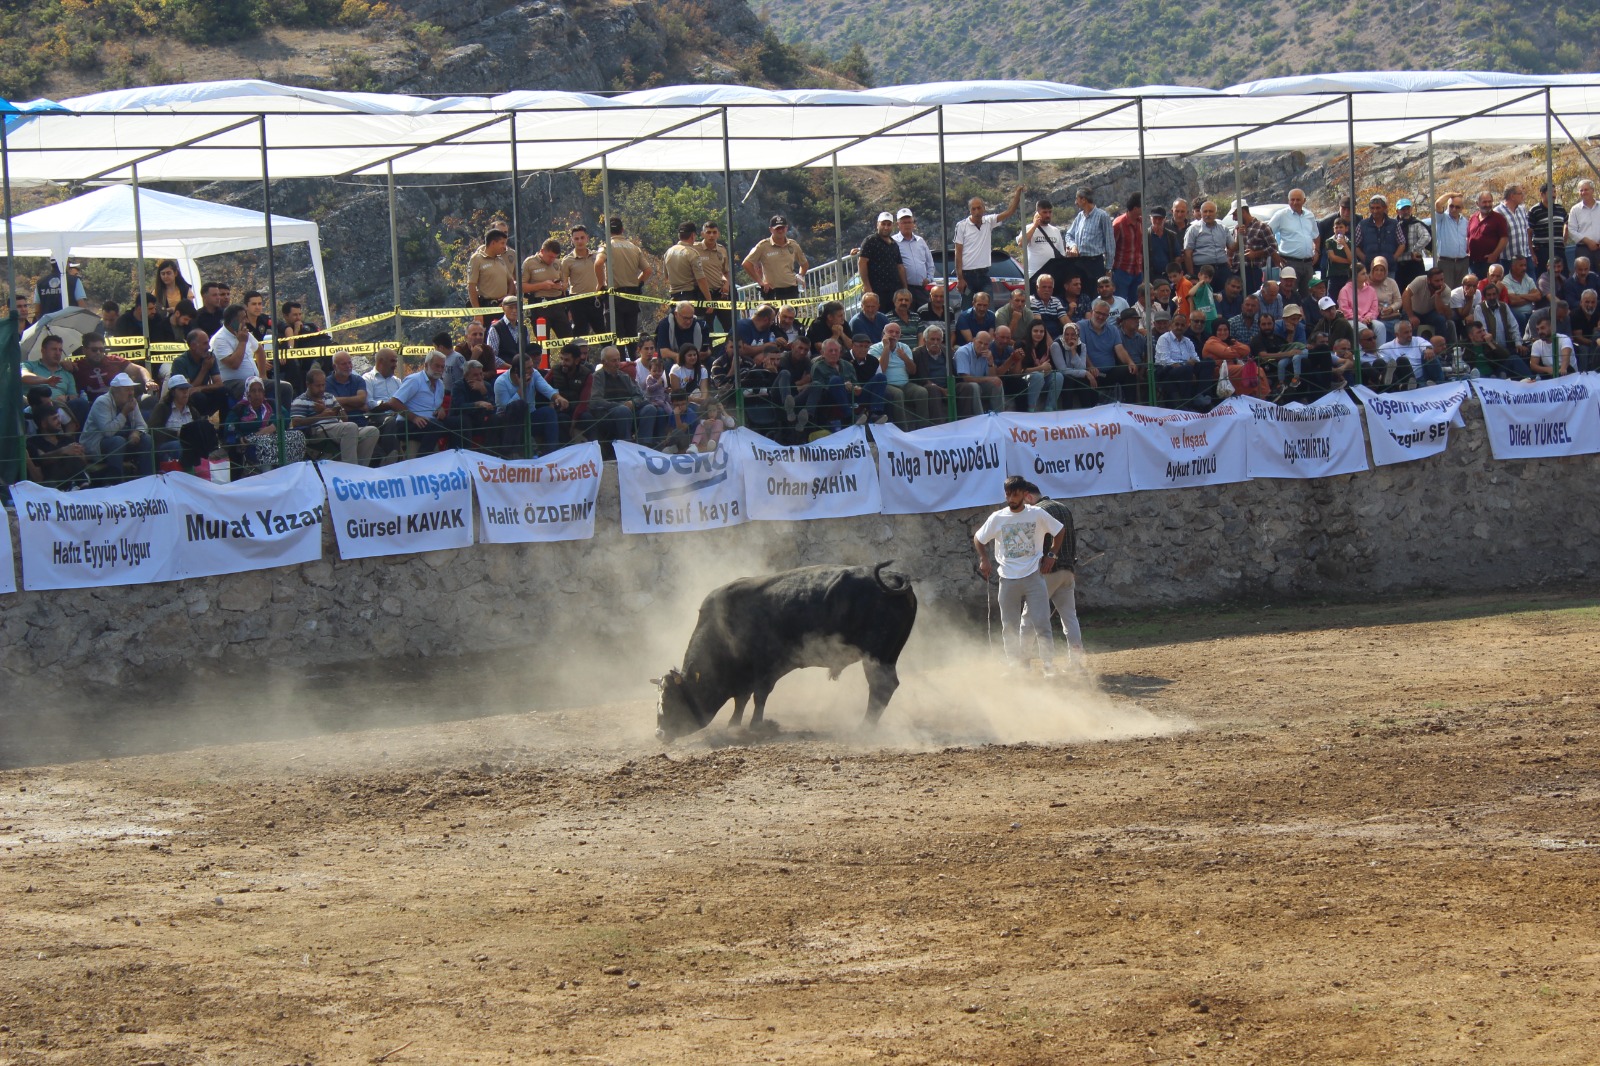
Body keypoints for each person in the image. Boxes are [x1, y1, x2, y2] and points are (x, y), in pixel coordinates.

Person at [974, 475, 1064, 678]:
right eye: (1008, 494)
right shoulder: (997, 517)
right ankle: (1015, 666)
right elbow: (979, 538)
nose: (1011, 499)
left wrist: (1051, 554)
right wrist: (984, 559)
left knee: (1042, 622)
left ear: (1024, 495)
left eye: (1015, 494)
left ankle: (1048, 665)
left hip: (1034, 577)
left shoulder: (1037, 514)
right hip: (1007, 578)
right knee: (1009, 626)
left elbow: (1059, 531)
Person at [1023, 487, 1084, 667]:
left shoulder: (1036, 512)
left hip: (1047, 571)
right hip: (1067, 570)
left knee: (1028, 618)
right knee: (1069, 618)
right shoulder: (1064, 508)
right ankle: (1077, 663)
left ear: (1028, 496)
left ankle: (1023, 662)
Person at [954, 186, 1024, 296]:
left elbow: (1009, 212)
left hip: (984, 274)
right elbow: (958, 253)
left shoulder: (989, 221)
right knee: (967, 311)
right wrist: (960, 278)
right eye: (973, 209)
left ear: (984, 208)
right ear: (970, 210)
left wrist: (1018, 194)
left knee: (988, 310)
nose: (977, 211)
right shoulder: (962, 226)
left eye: (979, 208)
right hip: (967, 276)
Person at [380, 350, 450, 457]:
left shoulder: (440, 384)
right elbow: (393, 402)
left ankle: (456, 459)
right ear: (426, 365)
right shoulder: (414, 380)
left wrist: (440, 409)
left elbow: (435, 404)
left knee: (459, 422)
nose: (440, 370)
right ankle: (421, 460)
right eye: (437, 366)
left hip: (431, 422)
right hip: (407, 423)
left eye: (442, 367)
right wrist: (414, 418)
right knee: (437, 426)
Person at [226, 376, 306, 471]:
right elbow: (229, 430)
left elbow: (285, 416)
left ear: (264, 393)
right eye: (253, 391)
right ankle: (270, 475)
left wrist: (272, 427)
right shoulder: (239, 409)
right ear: (248, 393)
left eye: (260, 391)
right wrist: (240, 438)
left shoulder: (271, 404)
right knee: (265, 444)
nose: (257, 394)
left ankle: (293, 472)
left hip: (276, 440)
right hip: (253, 444)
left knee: (298, 435)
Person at [595, 217, 652, 347]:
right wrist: (638, 283)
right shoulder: (634, 248)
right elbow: (648, 270)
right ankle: (632, 361)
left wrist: (600, 284)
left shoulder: (606, 246)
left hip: (614, 296)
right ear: (622, 230)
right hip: (631, 296)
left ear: (607, 231)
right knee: (631, 335)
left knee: (616, 336)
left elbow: (598, 264)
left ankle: (619, 364)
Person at [494, 355, 566, 455]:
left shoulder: (534, 374)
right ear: (516, 370)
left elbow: (546, 388)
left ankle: (552, 452)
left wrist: (557, 397)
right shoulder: (501, 382)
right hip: (510, 422)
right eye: (528, 368)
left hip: (530, 416)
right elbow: (507, 408)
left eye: (532, 367)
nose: (532, 370)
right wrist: (521, 389)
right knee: (518, 408)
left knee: (549, 412)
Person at [872, 321, 927, 428]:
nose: (894, 335)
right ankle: (903, 430)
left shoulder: (904, 347)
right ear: (884, 334)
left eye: (897, 333)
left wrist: (905, 358)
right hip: (886, 385)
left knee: (922, 392)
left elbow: (912, 371)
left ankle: (923, 428)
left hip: (905, 384)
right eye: (890, 332)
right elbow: (881, 369)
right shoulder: (874, 348)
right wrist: (886, 348)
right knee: (898, 394)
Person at [25, 398, 90, 487]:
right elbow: (42, 460)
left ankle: (84, 485)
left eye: (58, 417)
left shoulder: (66, 439)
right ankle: (84, 484)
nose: (59, 421)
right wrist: (63, 451)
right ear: (44, 424)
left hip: (75, 481)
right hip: (53, 485)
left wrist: (81, 455)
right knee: (69, 458)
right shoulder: (33, 443)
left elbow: (83, 464)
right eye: (55, 419)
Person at [741, 215, 807, 300]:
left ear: (786, 228)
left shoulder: (793, 245)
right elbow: (746, 264)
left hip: (791, 290)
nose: (780, 231)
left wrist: (800, 275)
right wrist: (761, 282)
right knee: (773, 313)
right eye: (777, 228)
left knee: (791, 313)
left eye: (782, 228)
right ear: (771, 229)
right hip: (772, 291)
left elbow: (804, 264)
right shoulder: (763, 245)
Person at [562, 224, 606, 339]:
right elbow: (564, 285)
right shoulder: (567, 261)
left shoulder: (597, 257)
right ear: (572, 240)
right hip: (577, 302)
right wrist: (567, 308)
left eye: (582, 237)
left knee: (604, 336)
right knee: (580, 339)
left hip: (596, 300)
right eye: (576, 238)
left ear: (587, 238)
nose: (580, 241)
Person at [1018, 198, 1069, 294]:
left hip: (1052, 277)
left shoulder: (1055, 230)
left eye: (1050, 212)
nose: (1048, 215)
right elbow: (1021, 244)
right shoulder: (1028, 228)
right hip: (1034, 276)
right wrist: (1034, 226)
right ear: (1037, 213)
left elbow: (1062, 254)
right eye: (1044, 212)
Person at [468, 227, 517, 324]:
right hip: (487, 308)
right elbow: (471, 286)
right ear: (493, 243)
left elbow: (511, 281)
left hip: (503, 308)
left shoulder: (500, 260)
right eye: (502, 243)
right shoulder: (477, 259)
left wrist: (508, 297)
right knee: (488, 337)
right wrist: (477, 312)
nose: (504, 247)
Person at [858, 212, 907, 308]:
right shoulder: (870, 241)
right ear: (877, 225)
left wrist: (905, 288)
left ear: (892, 226)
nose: (886, 227)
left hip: (894, 291)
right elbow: (862, 262)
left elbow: (900, 267)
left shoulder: (894, 244)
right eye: (883, 224)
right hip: (876, 290)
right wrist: (867, 286)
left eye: (888, 224)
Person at [1271, 189, 1320, 282]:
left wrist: (1317, 251)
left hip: (1308, 263)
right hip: (1289, 263)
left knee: (1308, 294)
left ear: (1304, 201)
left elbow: (1316, 236)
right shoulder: (1281, 215)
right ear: (1288, 201)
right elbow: (1266, 234)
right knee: (1290, 294)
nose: (1295, 202)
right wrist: (1274, 254)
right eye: (1292, 200)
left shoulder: (1309, 216)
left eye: (1298, 200)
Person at [892, 208, 936, 311]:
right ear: (898, 224)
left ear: (913, 224)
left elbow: (930, 263)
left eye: (909, 222)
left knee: (924, 316)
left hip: (922, 289)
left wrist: (929, 278)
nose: (907, 225)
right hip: (905, 289)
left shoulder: (920, 241)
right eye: (903, 222)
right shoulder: (893, 242)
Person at [1018, 320, 1064, 412]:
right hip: (1024, 380)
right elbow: (1020, 371)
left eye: (1042, 331)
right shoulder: (1021, 345)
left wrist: (1048, 369)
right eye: (1035, 331)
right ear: (1030, 331)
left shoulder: (1045, 347)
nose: (1039, 334)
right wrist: (1041, 368)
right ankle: (1031, 409)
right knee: (1038, 375)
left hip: (1042, 378)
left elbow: (1049, 367)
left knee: (1058, 376)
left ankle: (1049, 408)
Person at [1432, 192, 1471, 287]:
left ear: (1462, 208)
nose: (1454, 209)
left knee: (1461, 292)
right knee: (1446, 292)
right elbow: (1438, 204)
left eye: (1457, 207)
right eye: (1451, 206)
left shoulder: (1465, 221)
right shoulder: (1442, 218)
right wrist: (1453, 194)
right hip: (1446, 263)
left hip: (1462, 262)